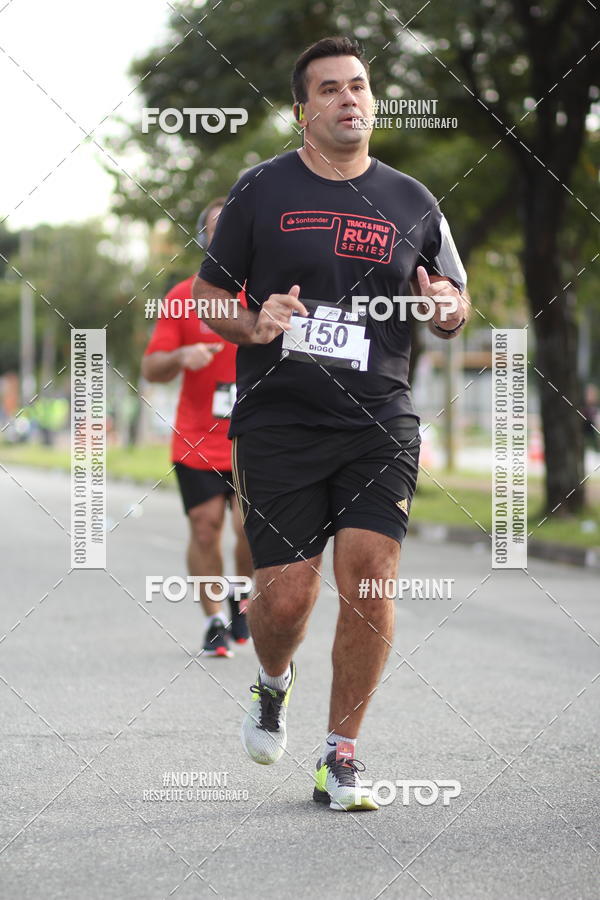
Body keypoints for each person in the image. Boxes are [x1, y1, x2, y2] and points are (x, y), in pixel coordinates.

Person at [193, 37, 470, 810]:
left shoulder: (414, 201)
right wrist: (253, 323)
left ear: (372, 101)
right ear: (302, 110)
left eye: (358, 87)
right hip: (280, 421)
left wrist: (448, 311)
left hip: (379, 420)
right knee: (283, 602)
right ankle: (272, 683)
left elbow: (453, 296)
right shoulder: (260, 192)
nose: (349, 100)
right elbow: (209, 296)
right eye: (330, 90)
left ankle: (340, 755)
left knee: (372, 580)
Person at [142, 198, 253, 658]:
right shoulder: (183, 296)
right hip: (197, 439)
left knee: (250, 530)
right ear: (204, 240)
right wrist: (179, 357)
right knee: (205, 528)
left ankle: (241, 595)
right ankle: (212, 619)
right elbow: (151, 367)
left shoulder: (267, 293)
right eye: (215, 231)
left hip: (256, 437)